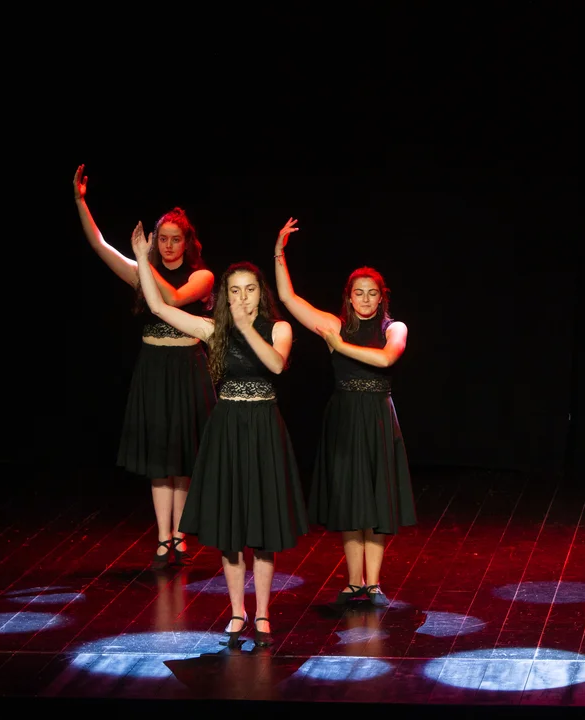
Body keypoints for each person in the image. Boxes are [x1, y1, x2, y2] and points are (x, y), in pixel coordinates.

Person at [132, 223, 308, 648]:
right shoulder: (213, 330)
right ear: (226, 296)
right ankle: (237, 612)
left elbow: (275, 365)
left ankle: (262, 613)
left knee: (263, 529)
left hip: (263, 429)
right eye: (235, 291)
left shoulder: (278, 329)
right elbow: (159, 307)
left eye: (250, 289)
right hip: (227, 429)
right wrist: (141, 259)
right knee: (230, 530)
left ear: (260, 294)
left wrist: (247, 327)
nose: (242, 297)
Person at [73, 165, 216, 569]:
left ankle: (180, 535)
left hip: (187, 366)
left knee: (182, 456)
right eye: (163, 239)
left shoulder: (201, 276)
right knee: (159, 458)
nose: (168, 246)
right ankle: (163, 538)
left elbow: (172, 299)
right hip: (154, 367)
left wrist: (143, 262)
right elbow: (100, 245)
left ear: (187, 242)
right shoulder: (144, 270)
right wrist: (81, 201)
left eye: (175, 239)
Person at [273, 218, 416, 608]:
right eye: (359, 293)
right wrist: (279, 253)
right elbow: (288, 299)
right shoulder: (335, 325)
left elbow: (386, 359)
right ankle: (355, 582)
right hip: (346, 418)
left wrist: (339, 346)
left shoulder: (394, 328)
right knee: (351, 500)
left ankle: (375, 583)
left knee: (377, 500)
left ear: (381, 298)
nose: (365, 300)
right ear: (349, 298)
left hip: (378, 418)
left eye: (372, 294)